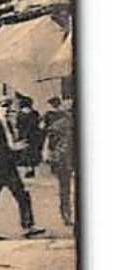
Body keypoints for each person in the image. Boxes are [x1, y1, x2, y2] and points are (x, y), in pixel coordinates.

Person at [0, 98, 46, 241]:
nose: (7, 109)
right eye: (3, 106)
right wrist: (18, 147)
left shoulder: (5, 122)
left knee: (21, 195)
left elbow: (10, 143)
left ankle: (28, 226)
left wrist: (17, 146)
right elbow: (2, 145)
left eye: (8, 107)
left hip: (7, 165)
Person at [44, 96, 77, 227]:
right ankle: (67, 215)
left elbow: (50, 144)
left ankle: (67, 215)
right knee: (65, 189)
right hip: (65, 160)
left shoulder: (56, 125)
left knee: (65, 190)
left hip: (64, 161)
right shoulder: (58, 125)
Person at [16, 95, 45, 178]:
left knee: (25, 153)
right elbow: (38, 124)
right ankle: (32, 169)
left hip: (24, 136)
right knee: (33, 153)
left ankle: (27, 170)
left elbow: (18, 126)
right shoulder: (35, 113)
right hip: (34, 136)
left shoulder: (20, 114)